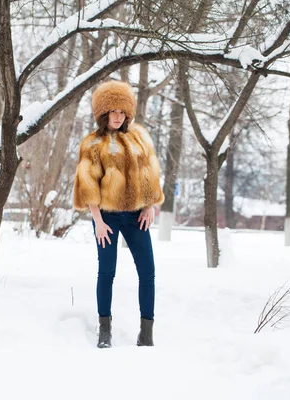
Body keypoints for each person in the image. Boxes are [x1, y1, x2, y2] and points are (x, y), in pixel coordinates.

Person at [73, 80, 165, 348]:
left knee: (148, 272)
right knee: (107, 272)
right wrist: (98, 221)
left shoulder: (138, 138)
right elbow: (88, 183)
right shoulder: (92, 143)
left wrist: (149, 205)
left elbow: (149, 173)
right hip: (107, 218)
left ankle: (146, 332)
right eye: (112, 111)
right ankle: (105, 329)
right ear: (103, 112)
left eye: (122, 111)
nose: (117, 116)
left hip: (136, 216)